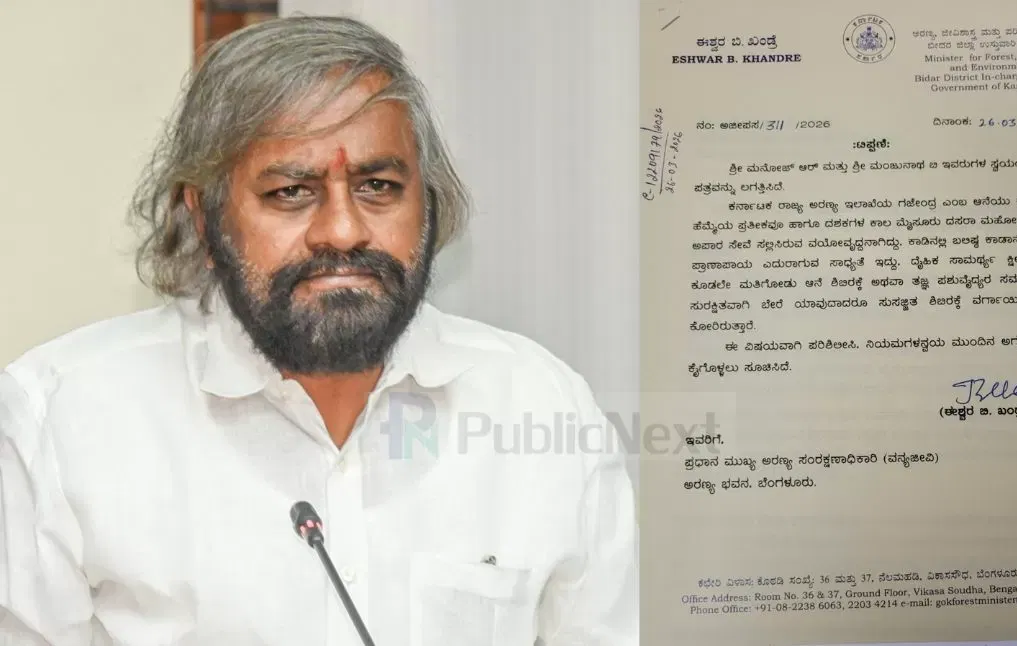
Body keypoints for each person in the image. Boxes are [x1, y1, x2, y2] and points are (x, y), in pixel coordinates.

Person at [0, 15, 637, 646]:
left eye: (378, 186)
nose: (343, 231)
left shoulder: (541, 406)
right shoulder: (60, 419)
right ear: (205, 217)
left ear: (427, 203)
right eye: (290, 192)